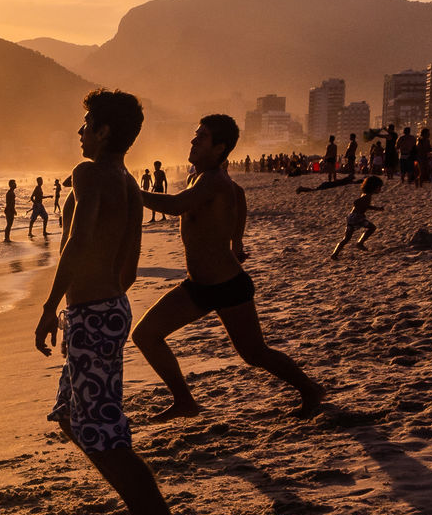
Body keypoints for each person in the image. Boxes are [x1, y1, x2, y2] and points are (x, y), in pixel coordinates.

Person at [34, 89, 200, 515]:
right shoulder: (126, 181)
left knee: (106, 437)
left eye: (86, 124)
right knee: (71, 417)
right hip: (107, 308)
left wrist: (51, 307)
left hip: (92, 313)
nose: (80, 132)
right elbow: (129, 257)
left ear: (104, 131)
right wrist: (105, 302)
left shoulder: (89, 174)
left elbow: (77, 241)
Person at [133, 115, 325, 420]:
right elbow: (241, 196)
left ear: (219, 147)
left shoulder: (213, 180)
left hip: (227, 286)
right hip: (198, 287)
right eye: (195, 135)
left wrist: (131, 192)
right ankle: (184, 401)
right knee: (145, 334)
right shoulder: (203, 176)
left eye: (202, 137)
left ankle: (310, 389)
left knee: (254, 354)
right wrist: (237, 240)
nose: (194, 141)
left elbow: (176, 206)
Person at [332, 175, 384, 258]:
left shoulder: (365, 195)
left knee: (346, 238)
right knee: (372, 228)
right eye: (379, 188)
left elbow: (366, 206)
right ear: (374, 187)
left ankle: (335, 254)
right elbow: (357, 202)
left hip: (351, 218)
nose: (380, 190)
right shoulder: (367, 196)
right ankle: (360, 243)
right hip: (357, 217)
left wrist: (376, 208)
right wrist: (358, 206)